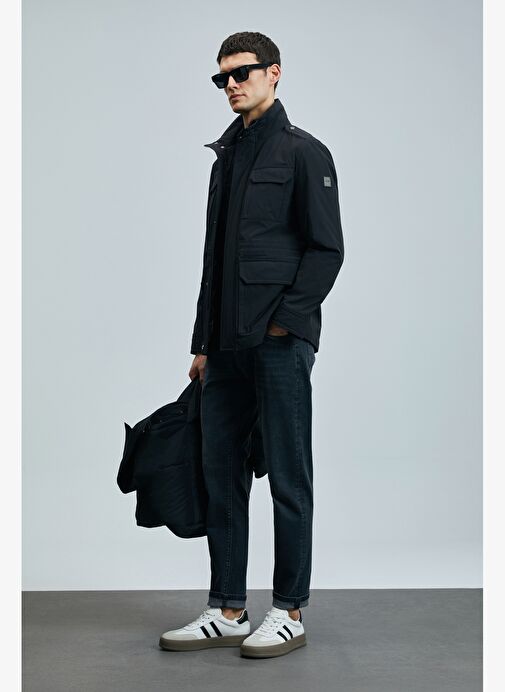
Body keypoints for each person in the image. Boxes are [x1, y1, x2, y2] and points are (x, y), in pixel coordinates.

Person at [160, 31, 344, 659]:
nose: (232, 85)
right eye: (223, 77)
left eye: (242, 72)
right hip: (224, 347)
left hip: (278, 344)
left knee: (289, 476)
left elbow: (326, 250)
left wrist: (284, 324)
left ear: (275, 73)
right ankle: (228, 608)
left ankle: (289, 609)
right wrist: (202, 343)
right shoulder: (226, 159)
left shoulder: (304, 153)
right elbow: (214, 261)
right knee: (222, 476)